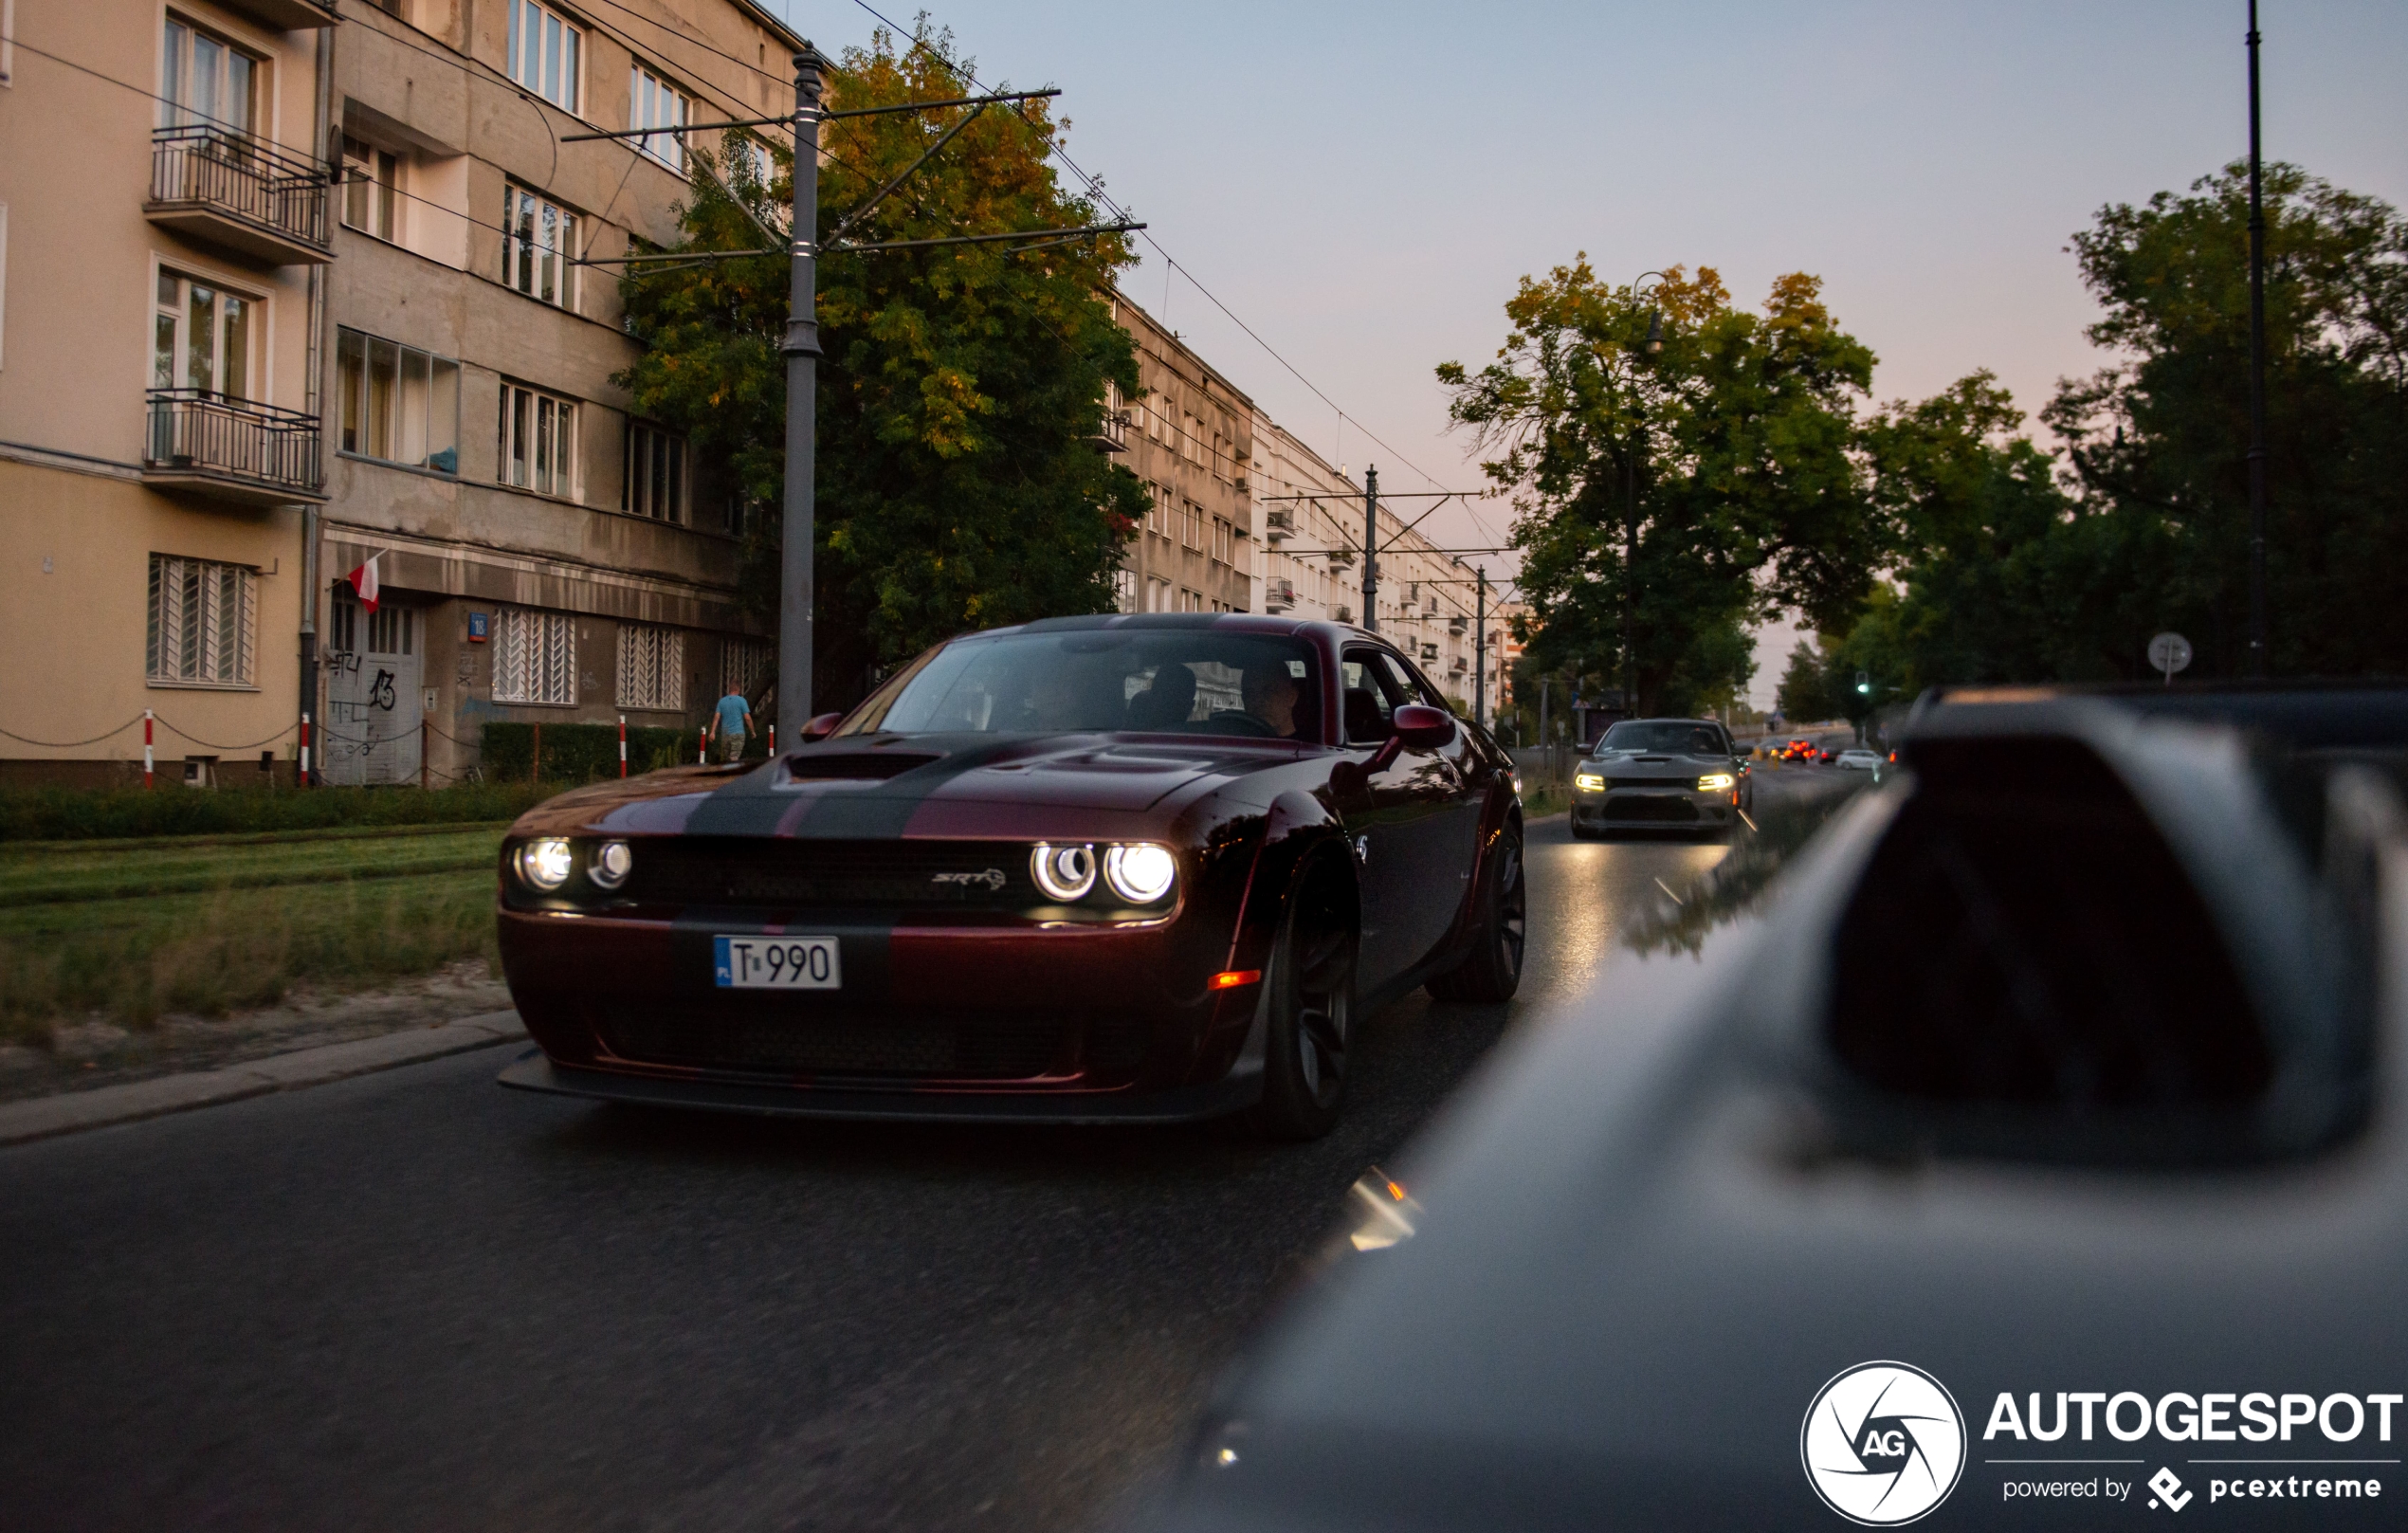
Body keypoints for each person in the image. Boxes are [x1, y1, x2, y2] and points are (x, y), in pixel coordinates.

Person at [1238, 658, 1302, 739]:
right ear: (1243, 698)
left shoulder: (1310, 746)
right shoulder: (1235, 742)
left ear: (1292, 697)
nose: (1258, 700)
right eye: (1250, 693)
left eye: (1269, 691)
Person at [711, 684, 754, 763]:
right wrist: (752, 731)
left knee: (726, 759)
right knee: (734, 758)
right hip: (738, 733)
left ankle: (726, 773)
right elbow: (747, 718)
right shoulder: (741, 701)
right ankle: (732, 774)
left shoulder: (721, 701)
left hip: (725, 734)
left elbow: (716, 717)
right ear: (738, 690)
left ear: (729, 690)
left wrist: (712, 732)